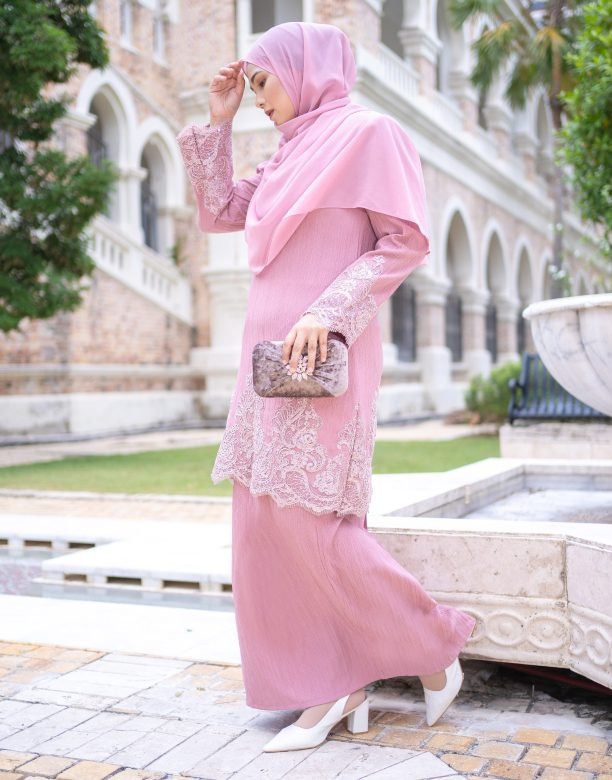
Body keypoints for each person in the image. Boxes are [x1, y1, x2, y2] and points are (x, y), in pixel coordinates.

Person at [176, 21, 477, 753]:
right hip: (267, 360)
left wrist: (327, 312)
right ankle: (329, 682)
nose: (259, 98)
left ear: (306, 70)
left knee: (312, 522)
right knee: (261, 523)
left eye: (264, 83)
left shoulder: (370, 135)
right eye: (252, 87)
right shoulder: (286, 155)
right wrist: (219, 124)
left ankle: (430, 646)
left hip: (326, 352)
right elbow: (219, 212)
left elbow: (403, 242)